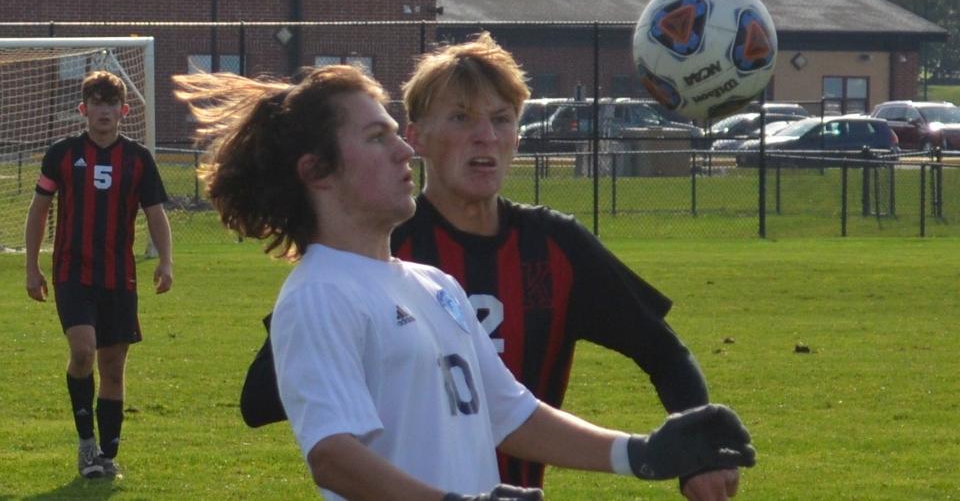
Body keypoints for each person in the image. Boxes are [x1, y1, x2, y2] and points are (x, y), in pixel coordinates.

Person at [174, 64, 754, 500]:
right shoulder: (320, 292)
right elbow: (333, 456)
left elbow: (515, 415)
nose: (404, 149)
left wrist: (644, 454)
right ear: (317, 171)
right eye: (377, 137)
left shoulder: (434, 285)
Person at [24, 70, 174, 479]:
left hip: (119, 276)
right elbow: (39, 211)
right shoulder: (62, 153)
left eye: (111, 104)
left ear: (124, 111)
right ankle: (86, 444)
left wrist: (166, 260)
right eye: (96, 103)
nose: (104, 111)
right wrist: (32, 266)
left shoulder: (138, 159)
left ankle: (107, 456)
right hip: (73, 272)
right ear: (83, 109)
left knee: (112, 366)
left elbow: (156, 214)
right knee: (84, 351)